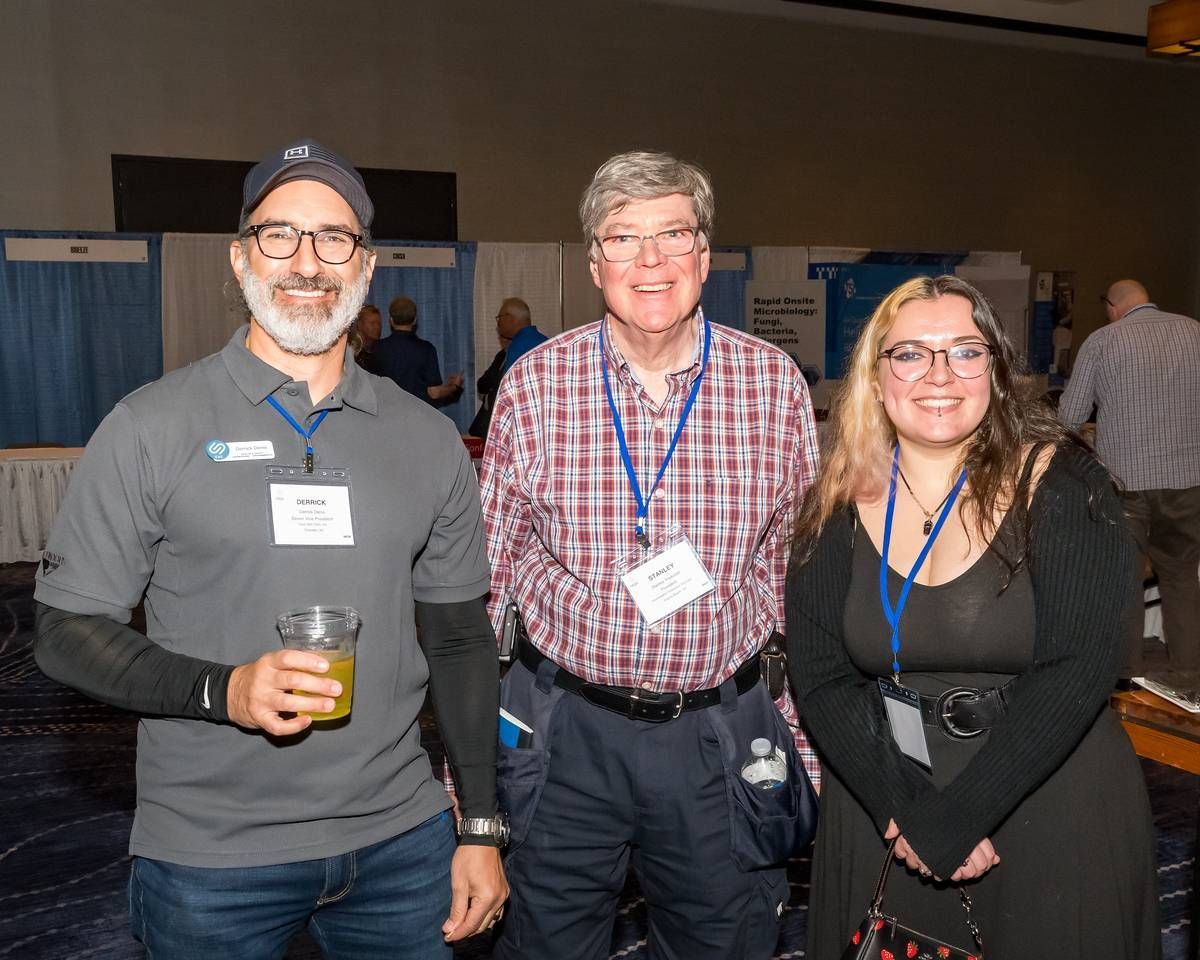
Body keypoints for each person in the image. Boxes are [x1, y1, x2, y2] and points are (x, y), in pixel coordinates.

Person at [32, 138, 507, 959]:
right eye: (279, 234)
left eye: (334, 237)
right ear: (240, 255)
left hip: (401, 843)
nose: (307, 261)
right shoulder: (152, 425)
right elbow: (67, 635)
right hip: (211, 857)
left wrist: (482, 826)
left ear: (364, 266)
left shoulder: (425, 440)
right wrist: (228, 691)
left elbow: (462, 638)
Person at [480, 150, 820, 960]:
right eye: (625, 238)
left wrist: (801, 742)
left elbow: (798, 581)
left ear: (705, 254)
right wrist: (472, 792)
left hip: (717, 734)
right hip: (564, 732)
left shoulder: (772, 385)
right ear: (595, 261)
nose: (651, 260)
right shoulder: (536, 385)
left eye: (673, 235)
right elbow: (486, 588)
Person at [787, 275, 1159, 958]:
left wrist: (959, 816)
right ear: (876, 373)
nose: (939, 374)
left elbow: (1079, 667)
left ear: (996, 367)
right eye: (910, 354)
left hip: (1047, 799)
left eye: (965, 350)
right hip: (887, 802)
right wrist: (907, 812)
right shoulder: (835, 500)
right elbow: (820, 675)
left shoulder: (1065, 483)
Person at [1059, 279, 1200, 673]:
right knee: (1182, 576)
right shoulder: (1195, 332)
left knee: (1124, 583)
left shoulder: (1103, 341)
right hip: (1189, 481)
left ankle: (1126, 683)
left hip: (1125, 486)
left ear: (1112, 306)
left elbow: (1069, 418)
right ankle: (1190, 678)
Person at [374, 295, 464, 406]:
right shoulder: (426, 350)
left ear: (391, 320)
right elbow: (434, 393)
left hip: (386, 414)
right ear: (415, 320)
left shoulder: (376, 349)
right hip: (417, 417)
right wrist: (454, 387)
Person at [467, 338, 508, 440]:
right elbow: (482, 384)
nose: (502, 340)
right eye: (501, 337)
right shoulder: (501, 356)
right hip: (490, 413)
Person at [495, 296, 547, 371]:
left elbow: (510, 382)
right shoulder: (546, 342)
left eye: (500, 317)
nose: (498, 323)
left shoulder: (516, 346)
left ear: (510, 318)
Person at [353, 302, 383, 375]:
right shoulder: (354, 355)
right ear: (360, 325)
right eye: (372, 323)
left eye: (378, 323)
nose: (377, 327)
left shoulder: (382, 353)